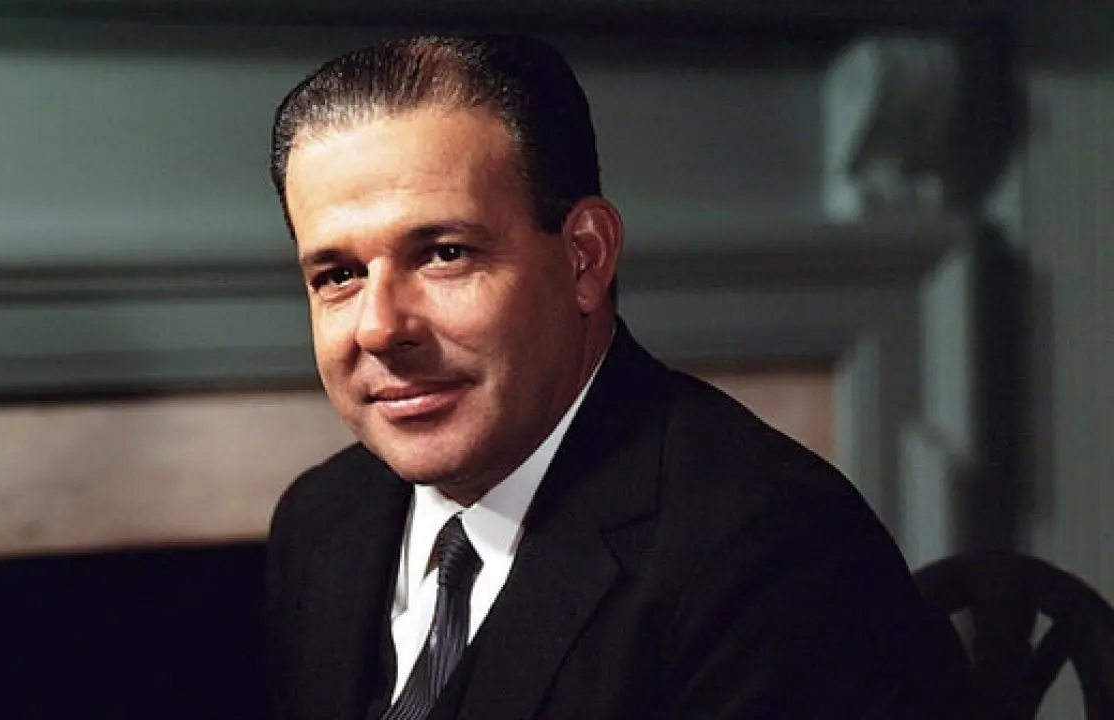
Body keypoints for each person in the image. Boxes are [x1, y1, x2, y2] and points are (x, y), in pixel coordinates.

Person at [264, 33, 969, 719]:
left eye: (445, 253)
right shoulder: (321, 517)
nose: (380, 328)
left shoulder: (778, 552)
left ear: (585, 257)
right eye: (339, 274)